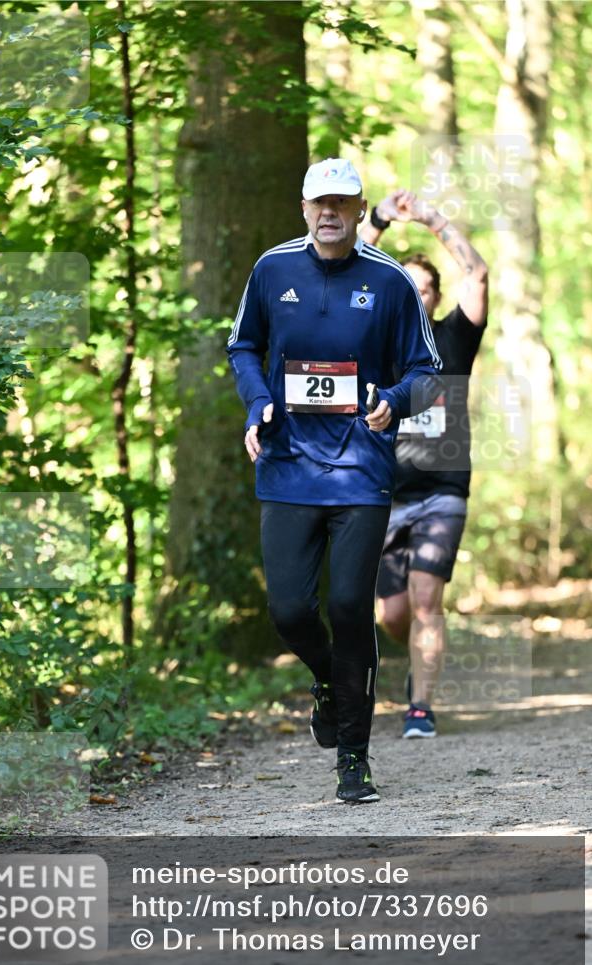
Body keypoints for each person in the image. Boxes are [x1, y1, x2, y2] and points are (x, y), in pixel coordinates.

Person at [226, 161, 442, 803]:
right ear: (303, 207)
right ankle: (329, 680)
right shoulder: (272, 270)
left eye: (342, 204)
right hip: (288, 465)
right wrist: (258, 400)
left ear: (359, 209)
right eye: (320, 203)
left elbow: (428, 371)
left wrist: (397, 401)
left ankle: (354, 757)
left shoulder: (391, 281)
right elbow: (242, 347)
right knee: (291, 610)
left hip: (360, 471)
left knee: (350, 608)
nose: (330, 213)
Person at [360, 189, 489, 739]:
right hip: (387, 494)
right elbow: (348, 270)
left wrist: (432, 219)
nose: (419, 295)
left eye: (427, 288)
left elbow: (478, 274)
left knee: (426, 600)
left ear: (435, 297)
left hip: (442, 492)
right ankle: (421, 648)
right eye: (409, 289)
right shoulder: (378, 343)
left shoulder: (454, 339)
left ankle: (420, 708)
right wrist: (379, 219)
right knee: (392, 616)